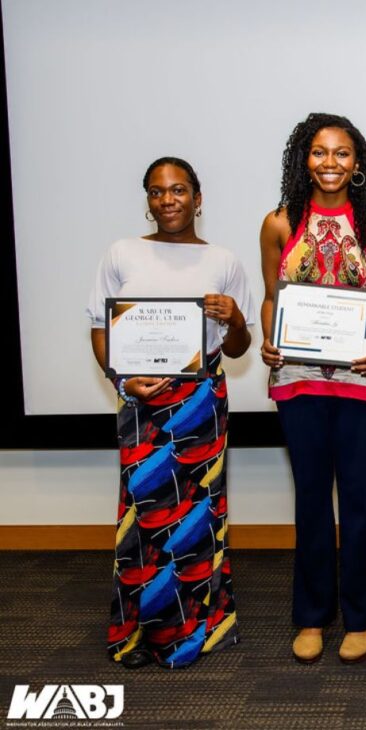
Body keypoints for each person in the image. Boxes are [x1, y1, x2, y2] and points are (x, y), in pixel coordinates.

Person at [88, 157, 255, 669]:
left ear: (197, 198)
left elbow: (238, 348)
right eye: (157, 191)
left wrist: (235, 318)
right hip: (140, 400)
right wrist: (121, 380)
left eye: (178, 190)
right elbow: (100, 328)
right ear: (148, 200)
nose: (168, 200)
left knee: (199, 514)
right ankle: (136, 634)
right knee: (144, 513)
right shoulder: (122, 252)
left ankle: (195, 630)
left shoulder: (223, 260)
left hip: (200, 402)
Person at [259, 113, 366, 665]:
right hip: (299, 379)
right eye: (319, 152)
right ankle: (312, 615)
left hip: (363, 379)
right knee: (312, 499)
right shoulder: (279, 222)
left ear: (357, 162)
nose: (330, 163)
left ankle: (361, 618)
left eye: (342, 153)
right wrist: (270, 338)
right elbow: (273, 297)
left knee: (358, 502)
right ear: (304, 159)